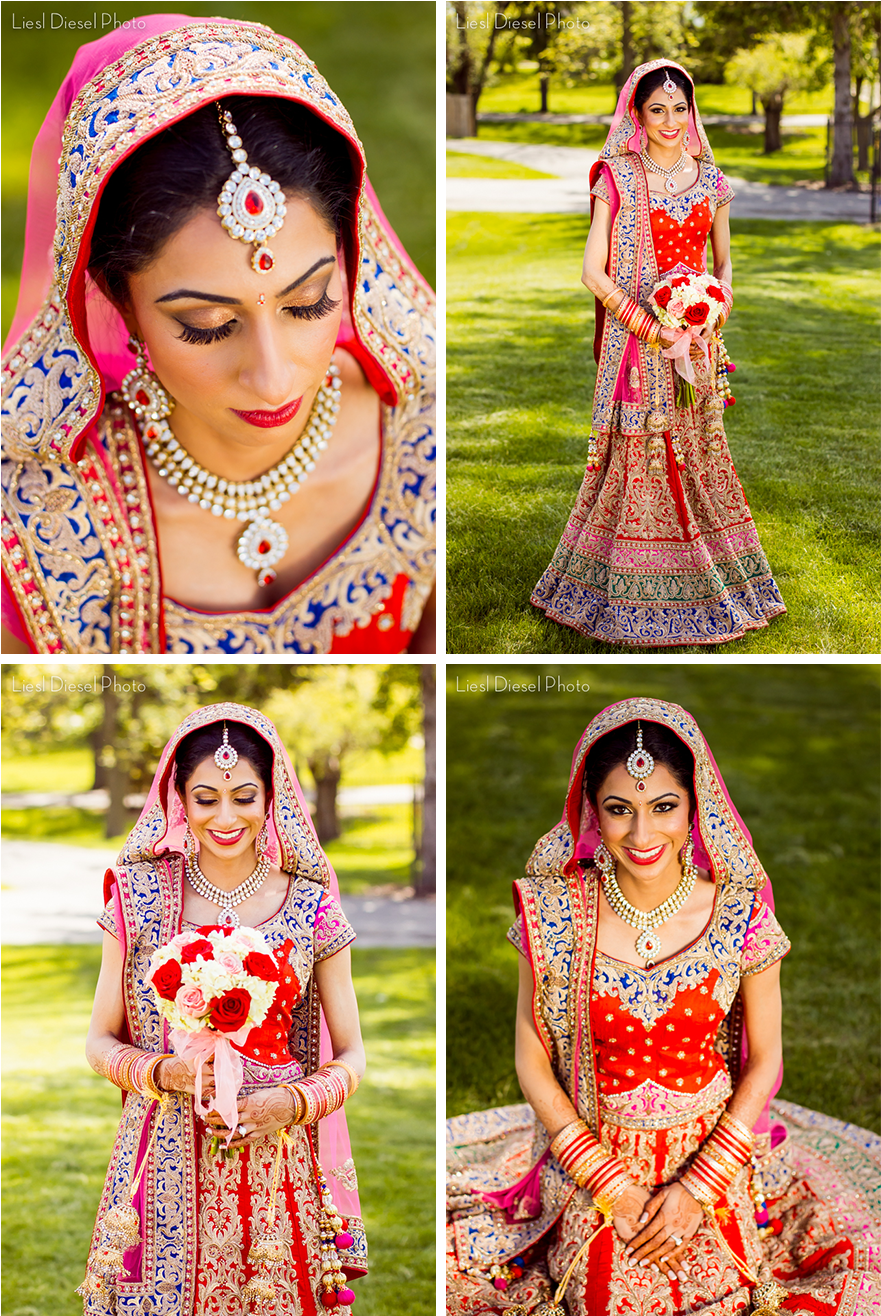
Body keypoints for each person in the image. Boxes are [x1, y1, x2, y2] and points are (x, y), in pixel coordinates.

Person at [1, 15, 435, 654]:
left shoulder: (420, 434)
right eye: (207, 326)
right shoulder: (37, 511)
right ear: (117, 300)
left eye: (309, 302)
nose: (274, 377)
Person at [446, 698, 880, 1316]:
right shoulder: (552, 914)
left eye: (664, 807)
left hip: (709, 1153)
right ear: (592, 812)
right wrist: (606, 1182)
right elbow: (532, 1057)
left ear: (696, 807)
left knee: (727, 1292)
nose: (643, 835)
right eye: (619, 810)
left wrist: (699, 1186)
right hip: (593, 1154)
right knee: (604, 1295)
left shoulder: (741, 912)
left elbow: (766, 1060)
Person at [81, 702, 366, 1314]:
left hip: (276, 1162)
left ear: (272, 798)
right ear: (179, 799)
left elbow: (352, 1056)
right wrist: (170, 1072)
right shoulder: (140, 896)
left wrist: (289, 1103)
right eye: (206, 797)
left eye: (244, 796)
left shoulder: (311, 905)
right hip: (162, 1159)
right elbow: (98, 1042)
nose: (226, 815)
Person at [531, 61, 786, 648]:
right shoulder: (615, 177)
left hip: (697, 347)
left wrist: (710, 314)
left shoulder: (714, 181)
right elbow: (592, 272)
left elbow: (722, 266)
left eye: (680, 109)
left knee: (699, 453)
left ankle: (707, 571)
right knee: (642, 455)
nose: (671, 121)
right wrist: (652, 328)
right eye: (657, 110)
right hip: (640, 347)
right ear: (635, 114)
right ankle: (626, 579)